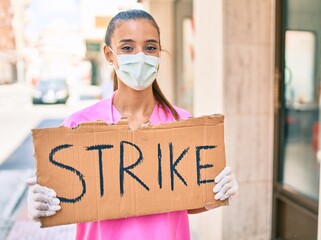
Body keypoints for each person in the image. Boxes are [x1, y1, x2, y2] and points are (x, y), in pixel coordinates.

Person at [26, 9, 238, 240]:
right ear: (109, 54)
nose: (140, 56)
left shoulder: (183, 124)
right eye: (127, 48)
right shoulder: (78, 126)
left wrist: (214, 191)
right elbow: (64, 199)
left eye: (150, 47)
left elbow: (185, 203)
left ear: (159, 53)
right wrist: (41, 204)